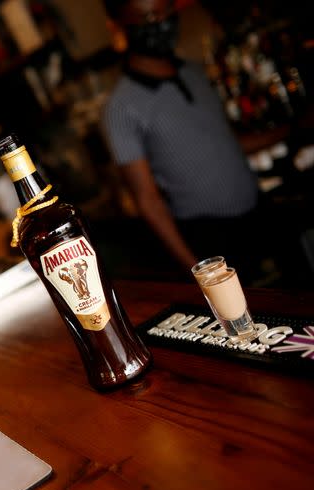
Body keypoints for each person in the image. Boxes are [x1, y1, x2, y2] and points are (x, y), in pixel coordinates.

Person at [100, 0, 287, 281]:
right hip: (211, 239)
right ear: (118, 26)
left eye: (165, 11)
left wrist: (293, 128)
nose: (160, 22)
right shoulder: (121, 107)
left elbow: (227, 144)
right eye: (148, 16)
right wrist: (198, 272)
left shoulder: (195, 72)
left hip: (260, 214)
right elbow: (147, 200)